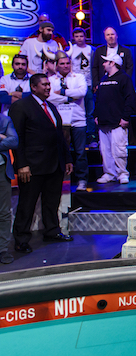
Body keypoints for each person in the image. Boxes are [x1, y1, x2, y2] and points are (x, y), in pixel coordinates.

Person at [9, 74, 73, 254]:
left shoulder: (51, 107)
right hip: (32, 166)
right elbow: (17, 138)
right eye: (44, 84)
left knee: (52, 202)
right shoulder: (21, 107)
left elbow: (60, 136)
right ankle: (21, 239)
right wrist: (21, 164)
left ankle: (52, 231)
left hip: (55, 163)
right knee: (27, 204)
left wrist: (67, 158)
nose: (47, 87)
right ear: (34, 87)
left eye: (48, 84)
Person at [47, 52, 88, 192]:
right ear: (56, 65)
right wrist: (70, 97)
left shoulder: (79, 77)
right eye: (62, 64)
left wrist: (62, 93)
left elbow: (82, 92)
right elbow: (49, 97)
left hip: (78, 119)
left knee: (80, 151)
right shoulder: (51, 80)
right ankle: (61, 180)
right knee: (60, 151)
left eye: (67, 63)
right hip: (60, 120)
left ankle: (82, 179)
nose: (65, 66)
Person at [94, 53, 135, 185]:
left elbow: (130, 98)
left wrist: (125, 117)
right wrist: (96, 115)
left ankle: (122, 173)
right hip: (103, 122)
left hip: (118, 122)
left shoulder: (124, 78)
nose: (103, 64)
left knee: (119, 149)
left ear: (112, 63)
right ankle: (109, 173)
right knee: (105, 150)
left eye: (106, 62)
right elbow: (98, 99)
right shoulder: (103, 80)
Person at [68, 27, 97, 148]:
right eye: (76, 36)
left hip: (89, 85)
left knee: (89, 112)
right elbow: (67, 65)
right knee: (73, 111)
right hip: (74, 86)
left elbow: (95, 68)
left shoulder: (92, 50)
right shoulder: (70, 50)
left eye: (81, 36)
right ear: (73, 38)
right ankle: (73, 139)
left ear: (85, 37)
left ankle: (91, 137)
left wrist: (95, 83)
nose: (79, 39)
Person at [0, 113, 18, 264]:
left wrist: (4, 139)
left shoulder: (4, 119)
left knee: (4, 211)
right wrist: (1, 137)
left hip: (1, 170)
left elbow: (14, 141)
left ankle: (2, 249)